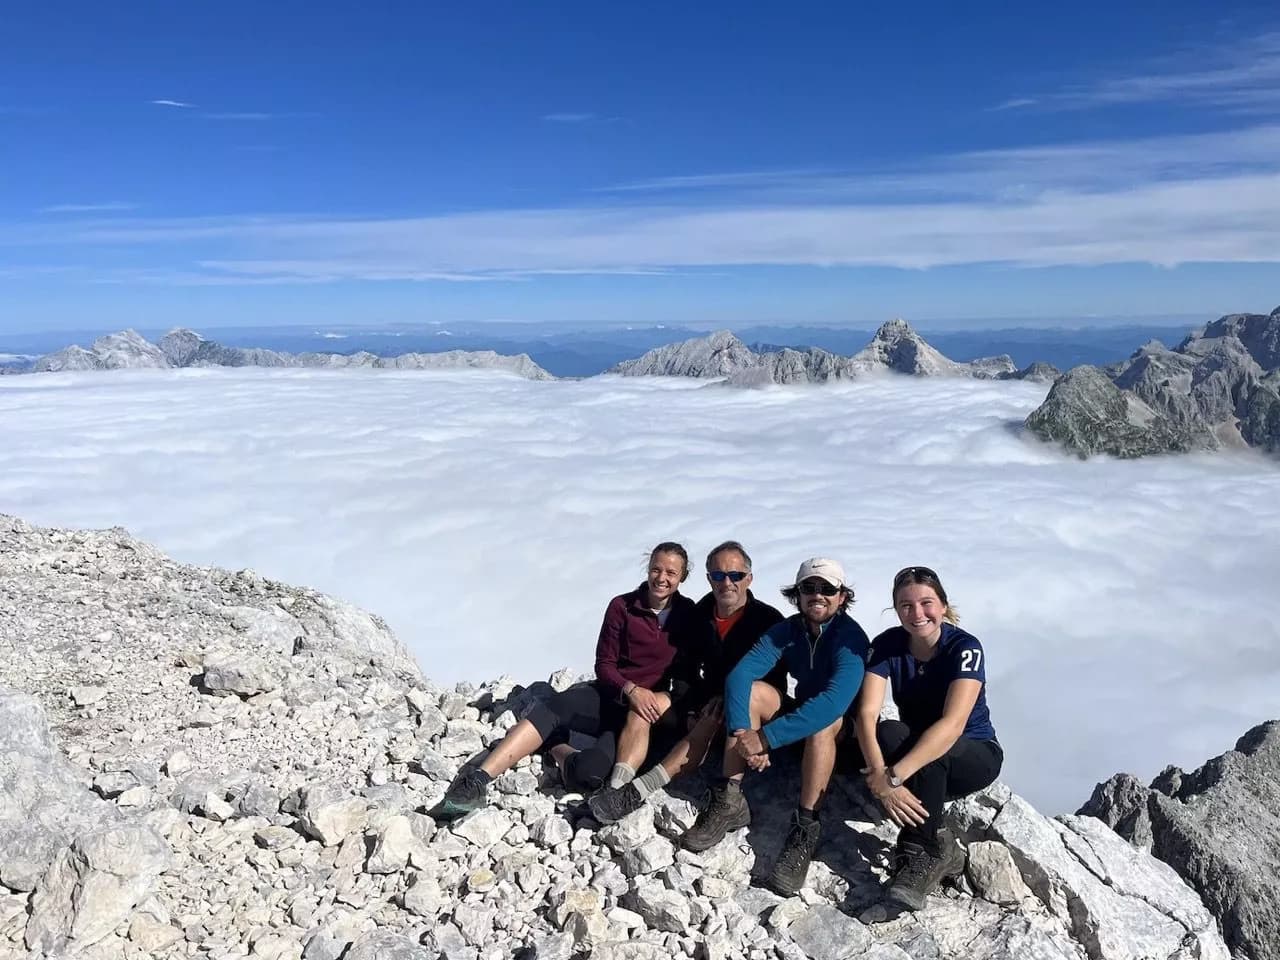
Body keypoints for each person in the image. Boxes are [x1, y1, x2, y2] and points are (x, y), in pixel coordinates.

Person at [429, 542, 695, 822]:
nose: (661, 578)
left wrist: (665, 697)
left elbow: (690, 672)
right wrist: (630, 689)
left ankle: (555, 747)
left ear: (682, 577)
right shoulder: (623, 606)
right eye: (656, 569)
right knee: (553, 707)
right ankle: (478, 781)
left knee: (589, 774)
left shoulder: (689, 615)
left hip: (644, 715)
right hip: (611, 696)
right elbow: (604, 665)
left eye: (671, 573)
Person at [678, 557, 869, 898]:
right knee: (754, 693)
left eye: (827, 589)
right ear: (797, 594)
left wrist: (766, 738)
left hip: (848, 739)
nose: (817, 595)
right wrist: (742, 735)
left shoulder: (850, 639)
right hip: (801, 729)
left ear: (842, 597)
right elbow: (740, 675)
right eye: (809, 588)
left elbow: (832, 704)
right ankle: (730, 797)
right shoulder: (789, 631)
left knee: (826, 722)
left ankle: (805, 827)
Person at [588, 540, 785, 823]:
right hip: (710, 700)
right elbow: (685, 667)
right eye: (718, 575)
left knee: (715, 715)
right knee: (645, 704)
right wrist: (693, 704)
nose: (726, 582)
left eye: (735, 576)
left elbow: (775, 678)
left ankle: (640, 791)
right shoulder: (701, 613)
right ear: (708, 579)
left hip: (752, 707)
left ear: (749, 579)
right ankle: (617, 787)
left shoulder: (767, 620)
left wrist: (726, 701)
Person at [852, 566, 1003, 911]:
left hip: (974, 753)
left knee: (935, 749)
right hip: (920, 752)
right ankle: (940, 846)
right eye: (906, 605)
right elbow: (866, 714)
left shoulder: (964, 648)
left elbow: (951, 726)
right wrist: (878, 773)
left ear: (944, 606)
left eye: (926, 603)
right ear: (896, 609)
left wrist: (892, 777)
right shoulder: (887, 645)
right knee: (888, 731)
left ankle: (922, 850)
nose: (917, 613)